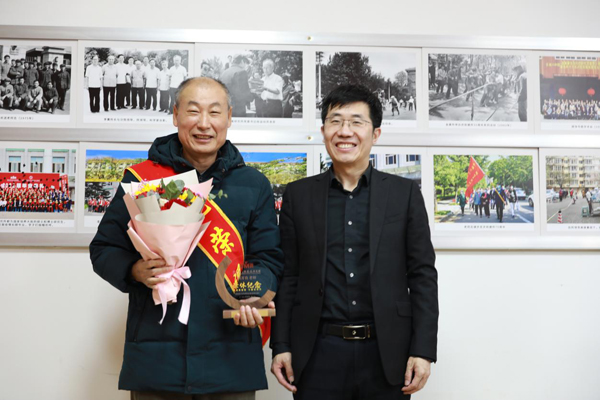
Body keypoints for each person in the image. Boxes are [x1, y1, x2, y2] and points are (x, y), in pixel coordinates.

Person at [90, 77, 284, 399]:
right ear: (175, 115)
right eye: (193, 111)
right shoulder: (142, 178)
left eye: (214, 112)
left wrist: (254, 296)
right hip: (157, 357)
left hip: (230, 357)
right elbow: (104, 248)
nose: (204, 123)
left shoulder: (254, 184)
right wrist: (134, 270)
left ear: (229, 118)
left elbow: (268, 257)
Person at [271, 84, 438, 399]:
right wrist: (280, 345)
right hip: (316, 354)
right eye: (335, 121)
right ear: (324, 131)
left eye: (356, 122)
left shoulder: (404, 194)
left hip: (387, 354)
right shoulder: (298, 195)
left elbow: (422, 275)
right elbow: (289, 275)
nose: (344, 131)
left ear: (375, 134)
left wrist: (423, 350)